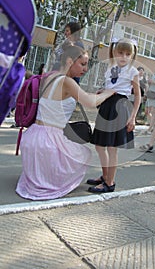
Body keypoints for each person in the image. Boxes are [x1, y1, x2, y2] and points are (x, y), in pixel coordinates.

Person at [16, 45, 115, 200]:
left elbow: (76, 96)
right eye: (82, 64)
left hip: (33, 137)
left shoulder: (50, 76)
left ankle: (43, 176)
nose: (85, 68)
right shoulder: (67, 81)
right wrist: (109, 93)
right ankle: (50, 180)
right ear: (70, 61)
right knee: (83, 154)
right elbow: (90, 102)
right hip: (49, 140)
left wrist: (94, 94)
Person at [87, 38, 141, 193]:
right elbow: (110, 86)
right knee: (99, 145)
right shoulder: (110, 68)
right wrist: (102, 92)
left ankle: (110, 182)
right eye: (120, 53)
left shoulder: (133, 71)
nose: (124, 56)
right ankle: (105, 176)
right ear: (114, 52)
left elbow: (137, 96)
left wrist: (133, 117)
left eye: (127, 54)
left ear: (132, 55)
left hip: (119, 107)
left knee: (111, 147)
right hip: (106, 106)